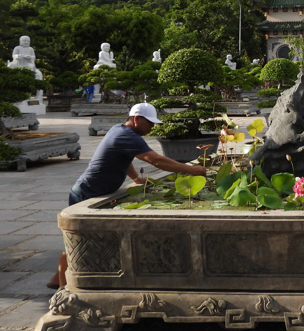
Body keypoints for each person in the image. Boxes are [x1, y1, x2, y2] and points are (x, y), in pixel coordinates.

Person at [50, 103, 206, 289]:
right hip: (86, 193)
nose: (152, 128)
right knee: (74, 244)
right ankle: (62, 289)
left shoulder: (120, 130)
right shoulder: (126, 135)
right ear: (137, 119)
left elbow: (124, 158)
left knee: (77, 242)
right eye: (150, 123)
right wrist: (192, 170)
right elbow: (156, 160)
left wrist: (136, 178)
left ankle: (55, 280)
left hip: (93, 190)